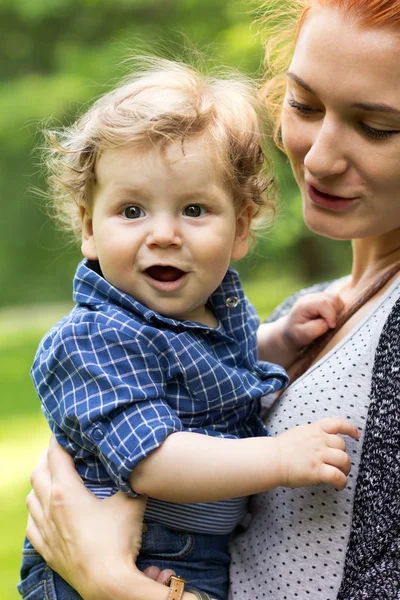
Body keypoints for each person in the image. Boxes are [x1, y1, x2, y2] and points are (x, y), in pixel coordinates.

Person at [23, 0, 400, 596]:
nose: (321, 159)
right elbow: (156, 447)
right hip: (161, 554)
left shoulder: (217, 314)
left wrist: (112, 584)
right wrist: (277, 442)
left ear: (242, 225)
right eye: (303, 104)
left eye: (379, 127)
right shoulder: (96, 336)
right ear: (87, 227)